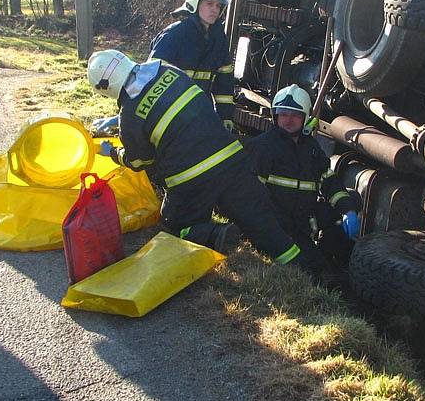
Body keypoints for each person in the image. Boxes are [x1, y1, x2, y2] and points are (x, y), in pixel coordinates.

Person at [87, 49, 317, 274]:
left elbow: (140, 161)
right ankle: (304, 271)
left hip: (192, 179)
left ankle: (217, 234)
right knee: (262, 223)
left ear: (105, 87)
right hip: (231, 160)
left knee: (174, 226)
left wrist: (113, 152)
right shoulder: (166, 70)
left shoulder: (129, 116)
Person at [247, 84, 360, 269]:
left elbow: (329, 182)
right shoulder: (262, 147)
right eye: (283, 114)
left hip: (301, 226)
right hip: (274, 228)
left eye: (295, 115)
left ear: (305, 118)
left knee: (349, 205)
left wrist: (348, 211)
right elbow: (252, 197)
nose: (288, 120)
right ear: (275, 116)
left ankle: (336, 261)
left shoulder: (312, 149)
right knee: (307, 269)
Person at [149, 0, 235, 130]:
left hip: (200, 114)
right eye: (209, 3)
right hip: (170, 115)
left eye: (218, 5)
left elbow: (224, 82)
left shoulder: (218, 38)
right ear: (195, 2)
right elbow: (152, 77)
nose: (214, 9)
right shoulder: (175, 35)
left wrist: (225, 116)